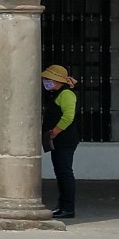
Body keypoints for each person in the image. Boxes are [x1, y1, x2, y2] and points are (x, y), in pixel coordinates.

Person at [41, 64, 79, 220]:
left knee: (64, 173)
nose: (46, 82)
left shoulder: (67, 94)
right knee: (61, 173)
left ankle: (68, 208)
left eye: (48, 79)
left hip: (64, 139)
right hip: (58, 140)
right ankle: (62, 205)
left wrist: (54, 132)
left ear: (57, 81)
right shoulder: (56, 94)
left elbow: (68, 117)